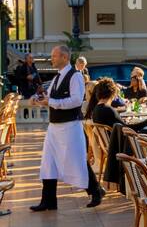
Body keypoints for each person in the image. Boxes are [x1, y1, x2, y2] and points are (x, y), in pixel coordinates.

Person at [30, 44, 105, 211]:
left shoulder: (75, 76)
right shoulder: (57, 77)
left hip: (70, 126)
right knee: (48, 162)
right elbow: (49, 96)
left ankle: (96, 190)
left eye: (55, 56)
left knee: (76, 160)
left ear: (64, 57)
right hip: (54, 127)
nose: (52, 59)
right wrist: (37, 98)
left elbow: (76, 101)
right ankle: (48, 200)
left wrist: (51, 102)